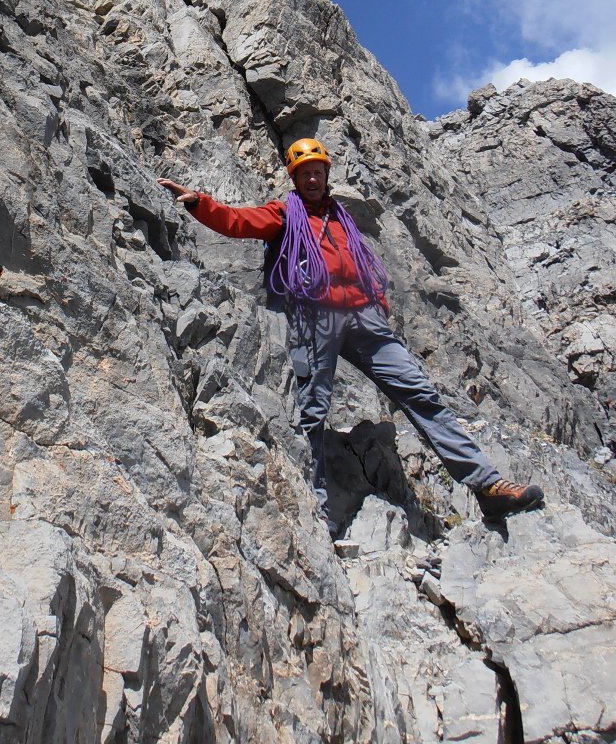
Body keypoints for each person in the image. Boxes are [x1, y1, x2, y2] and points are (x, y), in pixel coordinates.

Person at [160, 138, 544, 534]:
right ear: (294, 177)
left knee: (420, 392)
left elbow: (361, 260)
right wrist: (198, 203)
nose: (311, 178)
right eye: (303, 173)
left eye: (317, 171)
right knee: (312, 409)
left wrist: (377, 300)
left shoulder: (342, 218)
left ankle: (486, 486)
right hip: (315, 317)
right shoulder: (284, 213)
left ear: (327, 175)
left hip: (364, 318)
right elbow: (238, 221)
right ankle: (319, 509)